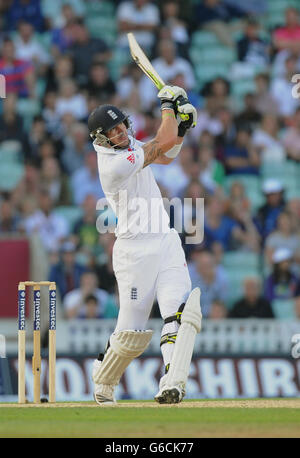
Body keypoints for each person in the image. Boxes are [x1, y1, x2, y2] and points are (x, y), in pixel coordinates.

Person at [88, 85, 199, 405]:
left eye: (123, 126)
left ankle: (172, 381)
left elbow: (166, 154)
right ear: (101, 137)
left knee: (179, 313)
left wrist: (181, 126)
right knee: (131, 334)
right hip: (134, 253)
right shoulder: (112, 165)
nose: (122, 133)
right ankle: (104, 376)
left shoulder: (128, 145)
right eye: (114, 131)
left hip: (165, 240)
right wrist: (169, 106)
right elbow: (159, 143)